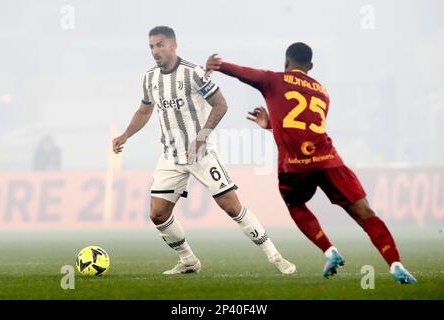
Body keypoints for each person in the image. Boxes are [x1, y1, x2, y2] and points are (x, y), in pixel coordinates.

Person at [205, 43, 417, 284]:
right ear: (311, 67)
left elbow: (246, 73)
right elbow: (304, 125)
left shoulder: (274, 80)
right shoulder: (322, 91)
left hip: (295, 166)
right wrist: (271, 125)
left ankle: (330, 251)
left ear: (286, 63)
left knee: (295, 204)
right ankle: (396, 264)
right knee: (365, 214)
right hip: (328, 161)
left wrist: (219, 65)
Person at [112, 26, 296, 275]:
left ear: (173, 45)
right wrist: (125, 135)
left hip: (201, 154)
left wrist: (200, 139)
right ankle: (189, 261)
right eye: (151, 47)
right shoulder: (150, 78)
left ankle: (276, 257)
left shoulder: (194, 73)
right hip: (170, 156)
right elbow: (145, 110)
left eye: (160, 45)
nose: (155, 51)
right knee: (158, 214)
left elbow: (221, 105)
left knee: (232, 207)